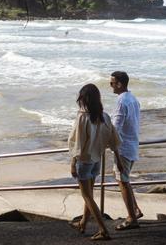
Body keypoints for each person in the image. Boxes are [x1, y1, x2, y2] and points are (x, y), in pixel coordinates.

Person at [68, 83, 125, 241]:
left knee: (87, 196)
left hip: (84, 161)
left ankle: (103, 230)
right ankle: (83, 223)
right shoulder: (104, 116)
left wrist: (73, 163)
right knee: (90, 195)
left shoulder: (82, 117)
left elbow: (78, 144)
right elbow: (114, 140)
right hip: (96, 162)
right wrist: (118, 160)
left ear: (84, 98)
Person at [110, 70, 143, 230]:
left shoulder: (121, 101)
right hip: (132, 145)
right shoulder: (133, 99)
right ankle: (135, 210)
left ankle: (131, 218)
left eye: (112, 83)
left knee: (122, 182)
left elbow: (116, 127)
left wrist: (107, 142)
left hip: (122, 148)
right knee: (125, 179)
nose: (110, 86)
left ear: (119, 84)